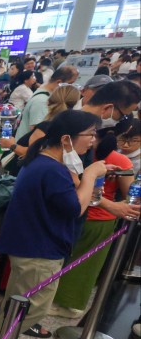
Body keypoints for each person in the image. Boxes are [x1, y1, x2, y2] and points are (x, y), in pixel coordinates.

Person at [0, 110, 109, 339]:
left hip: (32, 242)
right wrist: (89, 176)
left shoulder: (44, 162)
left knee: (19, 301)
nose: (93, 140)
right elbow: (74, 208)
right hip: (38, 247)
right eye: (90, 134)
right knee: (34, 307)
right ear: (67, 138)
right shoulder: (51, 169)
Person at [51, 126, 139, 318]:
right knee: (81, 264)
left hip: (88, 215)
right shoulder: (113, 159)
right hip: (94, 217)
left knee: (77, 263)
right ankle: (65, 302)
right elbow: (130, 193)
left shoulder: (86, 156)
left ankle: (66, 304)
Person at [15, 65, 80, 138]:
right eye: (70, 84)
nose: (71, 88)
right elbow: (37, 133)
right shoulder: (42, 101)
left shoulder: (45, 94)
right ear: (59, 82)